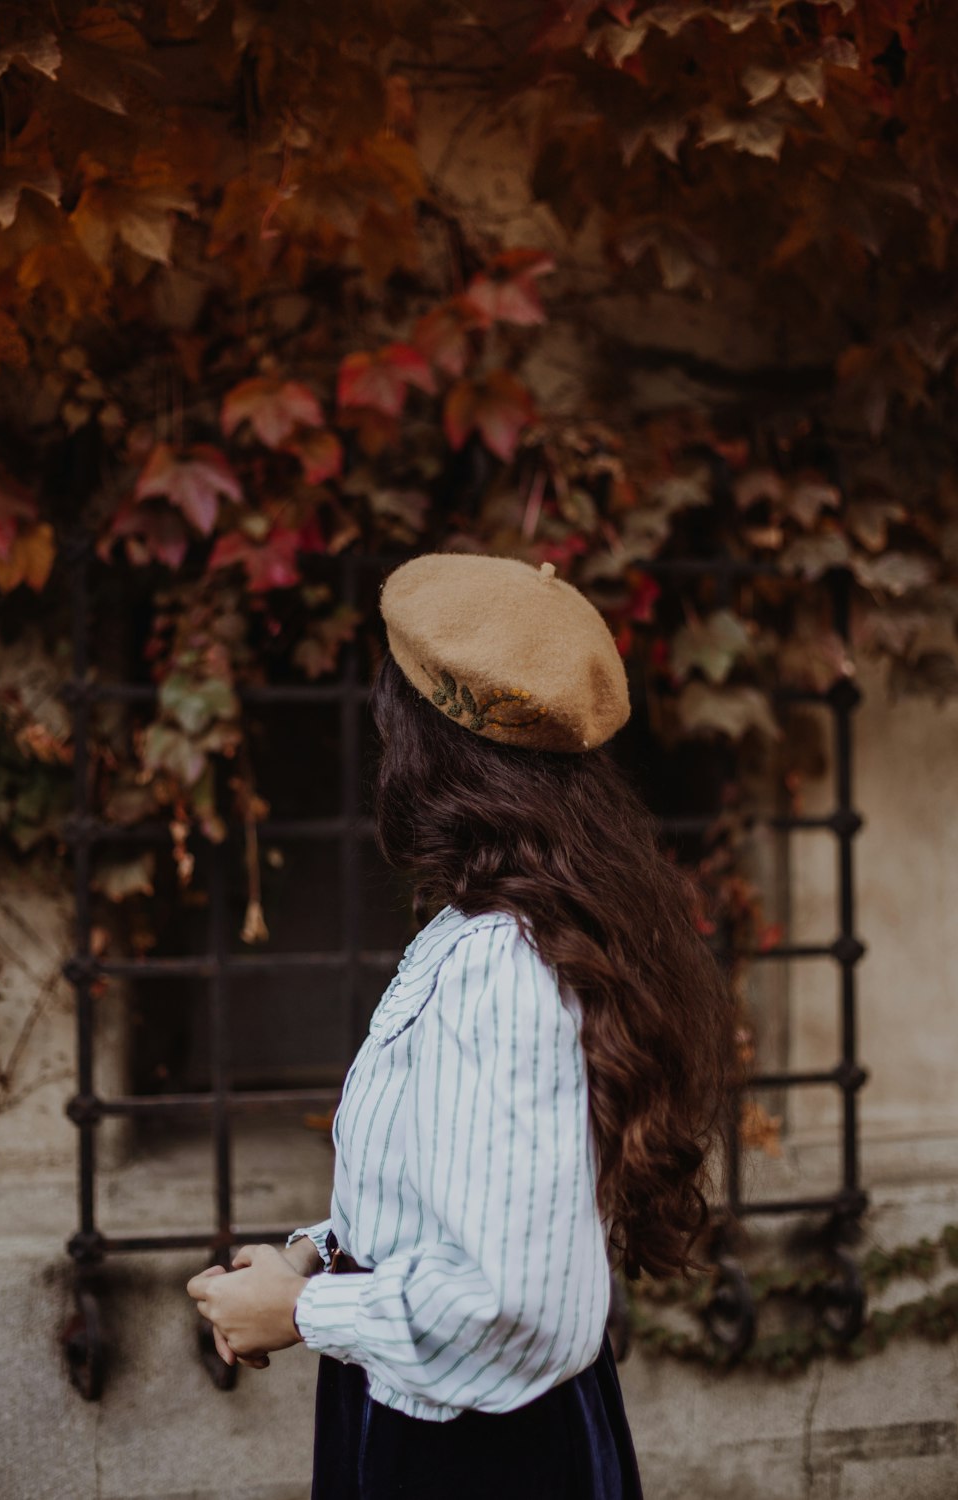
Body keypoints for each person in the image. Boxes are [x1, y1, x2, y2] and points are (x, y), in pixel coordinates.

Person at [188, 553, 734, 1499]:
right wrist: (311, 1254)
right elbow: (458, 1198)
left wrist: (306, 1311)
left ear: (427, 749)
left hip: (475, 1456)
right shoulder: (480, 928)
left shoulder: (506, 968)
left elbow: (517, 1303)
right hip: (427, 1415)